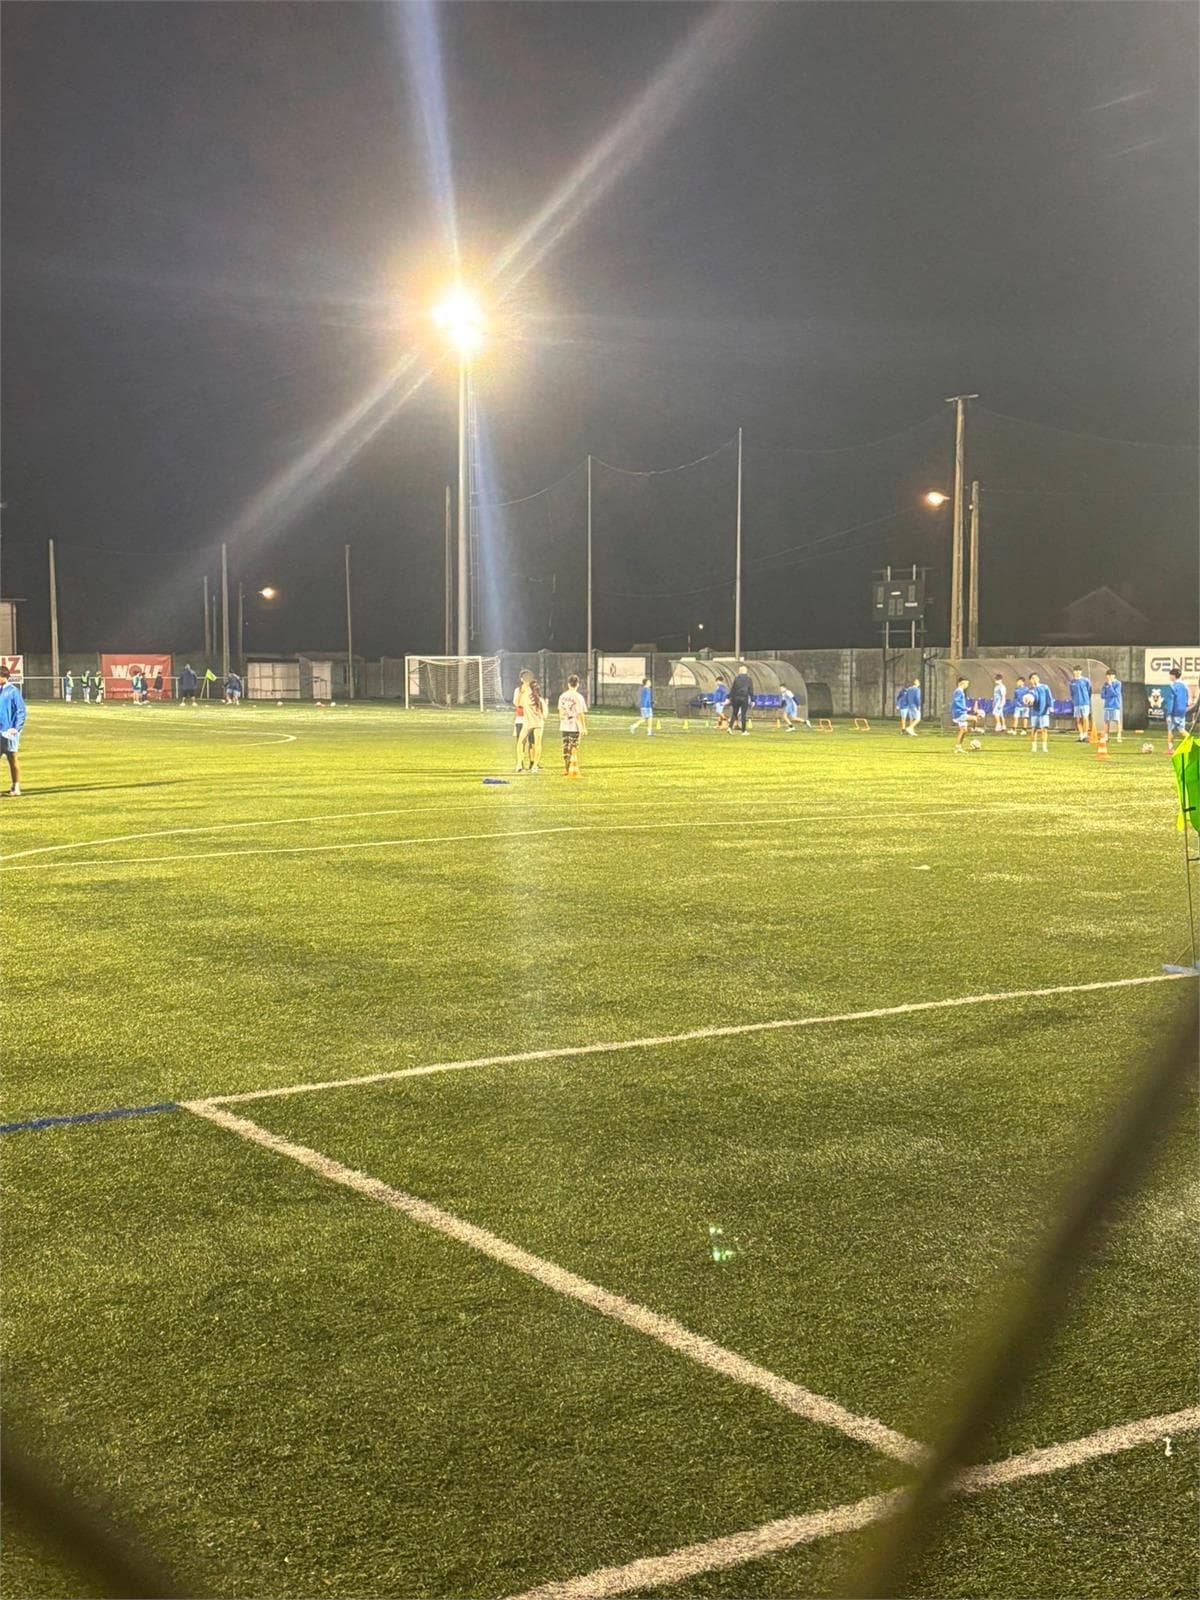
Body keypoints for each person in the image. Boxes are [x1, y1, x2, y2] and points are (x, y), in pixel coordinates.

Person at [0, 664, 27, 796]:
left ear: (3, 676)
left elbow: (21, 711)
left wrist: (15, 728)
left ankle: (16, 787)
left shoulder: (13, 691)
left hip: (9, 732)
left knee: (12, 758)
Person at [557, 673, 588, 774]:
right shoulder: (579, 697)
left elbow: (560, 712)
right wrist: (583, 727)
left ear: (568, 684)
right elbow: (580, 713)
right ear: (578, 684)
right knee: (573, 746)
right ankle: (572, 768)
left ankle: (566, 768)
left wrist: (563, 719)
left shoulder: (562, 696)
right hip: (575, 726)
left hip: (564, 725)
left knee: (565, 747)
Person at [521, 678, 547, 772]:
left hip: (528, 723)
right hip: (538, 723)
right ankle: (535, 766)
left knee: (521, 742)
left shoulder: (525, 698)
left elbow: (518, 704)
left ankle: (519, 764)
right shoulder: (540, 700)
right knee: (538, 744)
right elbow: (545, 715)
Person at [1165, 667, 1191, 755]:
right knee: (1182, 730)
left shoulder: (1173, 686)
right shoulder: (1185, 685)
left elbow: (1171, 700)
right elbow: (1187, 698)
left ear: (1173, 676)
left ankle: (1170, 749)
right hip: (1182, 710)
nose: (1169, 677)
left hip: (1174, 711)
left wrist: (1168, 714)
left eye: (1170, 675)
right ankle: (1192, 744)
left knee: (1170, 730)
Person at [512, 668, 533, 772]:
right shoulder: (518, 690)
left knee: (532, 742)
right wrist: (522, 692)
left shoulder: (534, 690)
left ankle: (533, 763)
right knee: (521, 742)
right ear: (521, 679)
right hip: (521, 719)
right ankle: (520, 764)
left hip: (532, 719)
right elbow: (517, 703)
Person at [950, 675, 977, 753]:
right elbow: (956, 701)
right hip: (959, 713)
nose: (967, 685)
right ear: (962, 683)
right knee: (974, 718)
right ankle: (974, 730)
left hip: (962, 712)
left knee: (964, 730)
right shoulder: (958, 691)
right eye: (967, 684)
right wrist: (964, 708)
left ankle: (958, 747)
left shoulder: (960, 691)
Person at [1028, 672, 1052, 754]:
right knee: (1034, 729)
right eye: (1033, 678)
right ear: (1030, 680)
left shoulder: (1045, 687)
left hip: (1044, 711)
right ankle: (1034, 747)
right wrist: (1029, 701)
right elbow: (1029, 700)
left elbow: (1049, 697)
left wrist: (1050, 706)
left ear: (1038, 678)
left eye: (1036, 677)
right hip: (1035, 712)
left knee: (1044, 729)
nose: (1034, 679)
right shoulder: (1031, 690)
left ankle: (1044, 747)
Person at [728, 663, 753, 735]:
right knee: (743, 714)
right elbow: (750, 690)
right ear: (746, 671)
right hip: (744, 697)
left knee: (734, 713)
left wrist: (729, 697)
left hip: (735, 697)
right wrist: (752, 699)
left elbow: (733, 688)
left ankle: (729, 727)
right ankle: (743, 731)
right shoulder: (748, 679)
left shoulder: (736, 678)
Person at [1069, 666, 1092, 742]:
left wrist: (1086, 699)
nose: (1077, 672)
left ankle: (1085, 735)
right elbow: (1071, 693)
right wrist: (1074, 700)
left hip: (1085, 702)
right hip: (1076, 703)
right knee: (1078, 720)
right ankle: (1081, 735)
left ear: (1081, 672)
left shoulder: (1086, 680)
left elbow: (1089, 691)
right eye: (1076, 671)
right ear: (1074, 672)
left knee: (1085, 718)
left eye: (1079, 671)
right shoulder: (1072, 682)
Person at [1100, 669, 1123, 744]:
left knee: (1117, 721)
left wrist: (1110, 686)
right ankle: (1106, 737)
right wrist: (1108, 693)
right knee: (1106, 721)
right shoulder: (1105, 684)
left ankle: (1119, 736)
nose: (1109, 677)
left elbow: (1115, 693)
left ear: (1114, 676)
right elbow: (1103, 695)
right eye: (1108, 675)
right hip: (1107, 705)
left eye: (1111, 675)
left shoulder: (1118, 683)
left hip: (1115, 705)